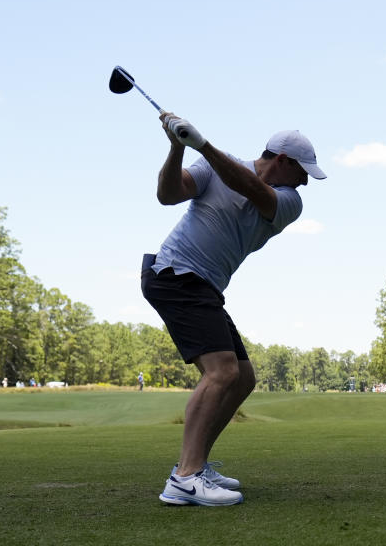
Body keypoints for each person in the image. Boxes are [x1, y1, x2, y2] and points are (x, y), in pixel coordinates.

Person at [142, 111, 326, 506]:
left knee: (242, 377)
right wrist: (177, 148)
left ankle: (196, 465)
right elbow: (167, 195)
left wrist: (203, 146)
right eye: (303, 170)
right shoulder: (211, 167)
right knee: (222, 371)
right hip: (175, 273)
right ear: (282, 160)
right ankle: (185, 477)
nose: (307, 180)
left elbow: (253, 190)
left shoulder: (290, 201)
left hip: (204, 285)